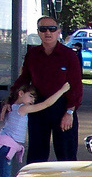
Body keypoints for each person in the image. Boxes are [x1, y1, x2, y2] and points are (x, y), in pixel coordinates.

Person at [2, 17, 83, 163]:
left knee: (66, 155)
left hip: (63, 108)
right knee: (36, 154)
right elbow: (23, 79)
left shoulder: (69, 55)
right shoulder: (33, 55)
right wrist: (11, 99)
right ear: (38, 32)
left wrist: (70, 112)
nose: (48, 32)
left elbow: (76, 86)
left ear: (58, 31)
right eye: (43, 29)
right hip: (38, 107)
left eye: (52, 29)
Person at [0, 82, 71, 177]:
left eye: (34, 98)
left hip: (5, 145)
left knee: (3, 175)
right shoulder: (21, 108)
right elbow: (46, 104)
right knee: (4, 176)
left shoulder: (13, 107)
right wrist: (62, 90)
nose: (32, 100)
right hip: (6, 147)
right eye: (30, 96)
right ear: (20, 93)